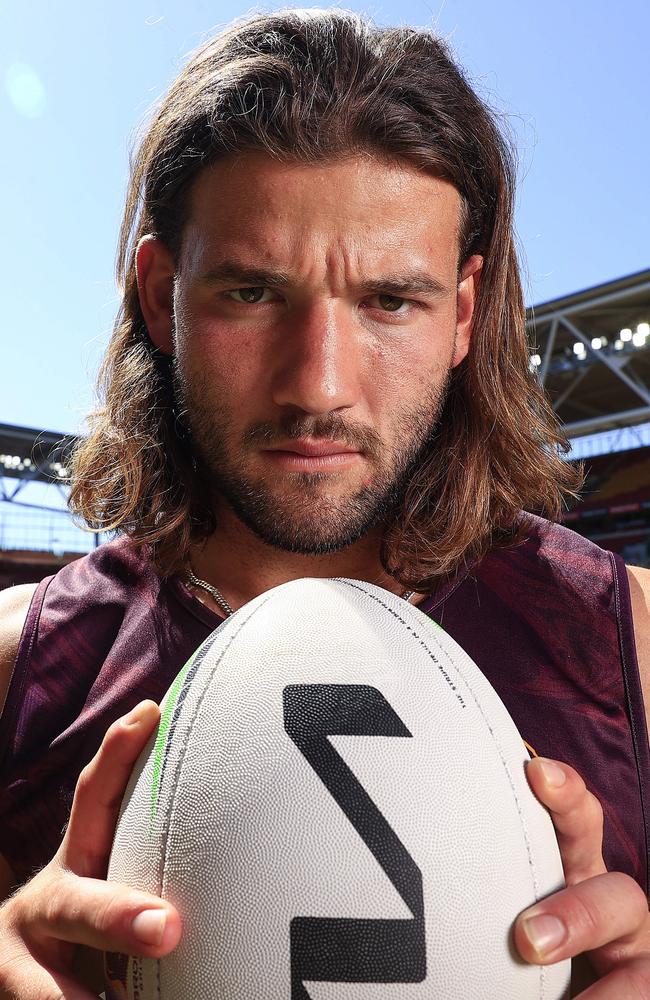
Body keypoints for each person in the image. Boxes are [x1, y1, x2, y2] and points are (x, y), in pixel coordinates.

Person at [1, 7, 649, 997]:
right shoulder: (18, 664)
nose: (318, 384)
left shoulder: (633, 643)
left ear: (463, 312)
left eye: (390, 301)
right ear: (158, 294)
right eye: (251, 294)